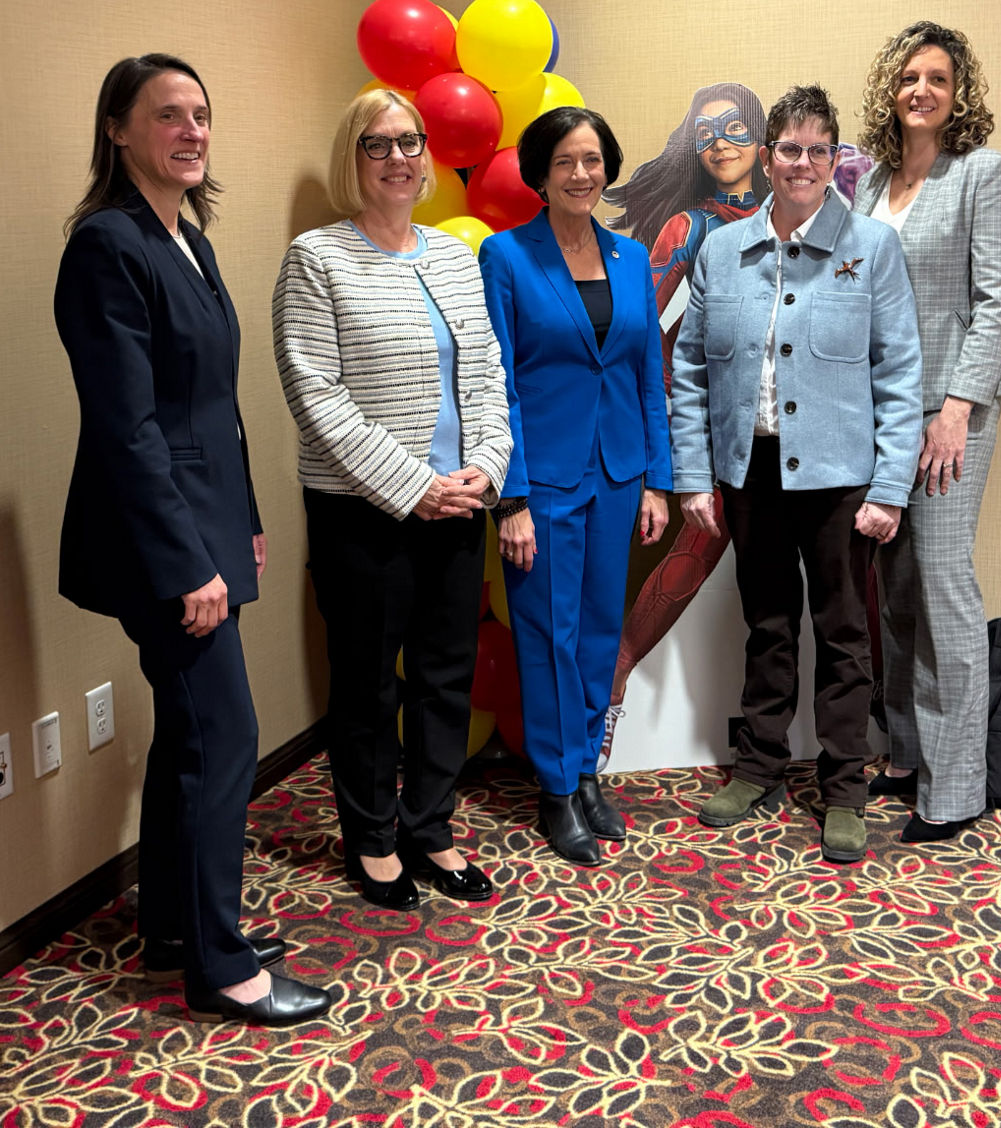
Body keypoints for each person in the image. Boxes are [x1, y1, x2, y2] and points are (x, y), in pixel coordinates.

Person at [55, 54, 331, 1025]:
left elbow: (212, 410)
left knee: (187, 732)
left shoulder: (189, 238)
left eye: (202, 114)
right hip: (155, 542)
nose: (191, 130)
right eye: (167, 114)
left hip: (208, 523)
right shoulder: (107, 245)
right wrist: (187, 561)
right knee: (226, 739)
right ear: (118, 129)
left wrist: (244, 523)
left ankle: (175, 921)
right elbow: (127, 428)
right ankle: (221, 964)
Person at [671, 85, 922, 864]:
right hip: (752, 470)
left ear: (835, 159)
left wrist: (889, 489)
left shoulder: (872, 247)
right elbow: (687, 370)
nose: (802, 163)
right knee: (767, 624)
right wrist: (690, 476)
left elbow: (900, 374)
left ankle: (844, 788)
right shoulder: (720, 250)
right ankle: (760, 767)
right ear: (768, 156)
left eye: (819, 149)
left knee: (845, 636)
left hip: (842, 477)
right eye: (789, 148)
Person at [273, 89, 511, 909]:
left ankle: (431, 827)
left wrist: (485, 467)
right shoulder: (317, 258)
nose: (400, 157)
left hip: (459, 503)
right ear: (354, 157)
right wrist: (414, 487)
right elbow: (316, 395)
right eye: (379, 144)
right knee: (371, 682)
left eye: (411, 142)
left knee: (445, 676)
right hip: (363, 513)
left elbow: (485, 373)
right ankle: (372, 838)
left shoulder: (450, 255)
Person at [479, 107, 672, 866]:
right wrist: (513, 497)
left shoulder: (631, 259)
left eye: (593, 159)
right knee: (546, 634)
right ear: (539, 172)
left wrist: (656, 480)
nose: (582, 174)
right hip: (545, 481)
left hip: (619, 473)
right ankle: (556, 788)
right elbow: (496, 388)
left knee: (597, 630)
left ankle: (587, 771)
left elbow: (644, 378)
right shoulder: (506, 256)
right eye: (565, 161)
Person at [853, 22, 1001, 842]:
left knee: (944, 585)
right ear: (891, 90)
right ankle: (907, 754)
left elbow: (997, 300)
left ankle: (955, 788)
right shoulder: (873, 182)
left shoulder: (983, 174)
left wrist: (957, 409)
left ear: (959, 94)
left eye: (938, 79)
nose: (921, 89)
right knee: (894, 587)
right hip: (881, 409)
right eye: (908, 77)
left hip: (949, 413)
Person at [600, 85, 765, 767]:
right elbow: (643, 329)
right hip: (714, 429)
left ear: (760, 136)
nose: (720, 141)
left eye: (733, 127)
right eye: (706, 133)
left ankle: (869, 719)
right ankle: (613, 686)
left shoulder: (805, 213)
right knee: (698, 550)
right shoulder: (688, 228)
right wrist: (672, 409)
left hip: (795, 430)